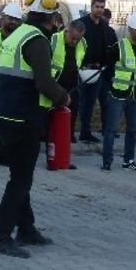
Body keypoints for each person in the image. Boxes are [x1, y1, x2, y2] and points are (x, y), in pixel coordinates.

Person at [0, 0, 70, 258]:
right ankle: (1, 237)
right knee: (20, 181)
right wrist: (63, 97)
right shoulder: (37, 40)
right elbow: (43, 82)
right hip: (23, 119)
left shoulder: (17, 35)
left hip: (4, 115)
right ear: (52, 17)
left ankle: (26, 229)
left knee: (20, 177)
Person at [102, 13, 136, 171]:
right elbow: (108, 70)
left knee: (133, 130)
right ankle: (107, 160)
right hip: (118, 94)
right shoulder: (119, 46)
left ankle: (128, 161)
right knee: (111, 129)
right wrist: (114, 85)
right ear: (130, 29)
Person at [71, 0, 115, 142]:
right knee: (86, 103)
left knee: (106, 102)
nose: (99, 10)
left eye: (102, 7)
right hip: (85, 70)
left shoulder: (104, 26)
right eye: (97, 7)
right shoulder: (81, 23)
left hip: (102, 71)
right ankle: (84, 131)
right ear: (91, 6)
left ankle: (106, 131)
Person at [50, 17, 88, 169]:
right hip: (54, 85)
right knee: (50, 122)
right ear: (67, 30)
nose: (75, 42)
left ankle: (64, 157)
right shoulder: (53, 39)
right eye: (73, 38)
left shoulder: (83, 43)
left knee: (69, 122)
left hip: (73, 87)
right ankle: (51, 157)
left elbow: (81, 62)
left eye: (78, 39)